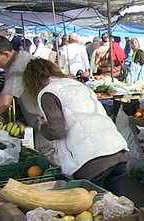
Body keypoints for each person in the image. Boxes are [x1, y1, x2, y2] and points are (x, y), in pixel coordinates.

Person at [22, 59, 128, 194]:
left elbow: (57, 131)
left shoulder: (48, 93)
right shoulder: (77, 85)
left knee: (94, 208)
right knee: (115, 207)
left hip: (91, 160)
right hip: (117, 151)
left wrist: (42, 126)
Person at [0, 35, 55, 158]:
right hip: (44, 121)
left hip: (48, 122)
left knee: (51, 157)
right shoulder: (20, 59)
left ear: (6, 54)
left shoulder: (18, 67)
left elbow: (5, 101)